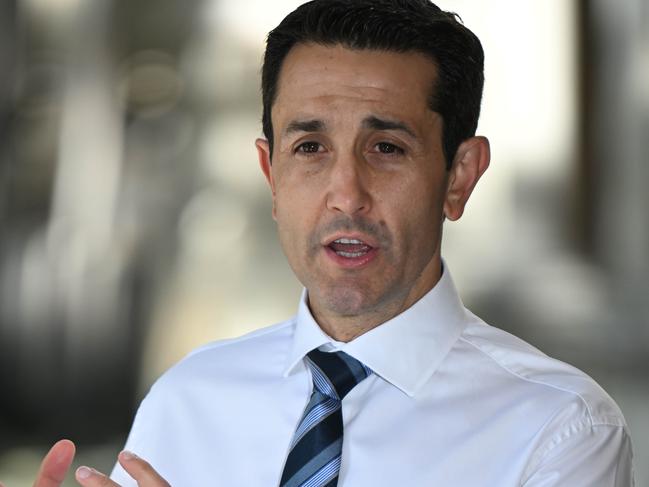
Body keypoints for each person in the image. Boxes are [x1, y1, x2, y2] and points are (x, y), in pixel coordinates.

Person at [25, 0, 634, 485]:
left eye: (387, 148)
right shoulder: (187, 399)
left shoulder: (560, 429)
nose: (346, 195)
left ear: (459, 177)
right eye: (309, 148)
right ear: (271, 175)